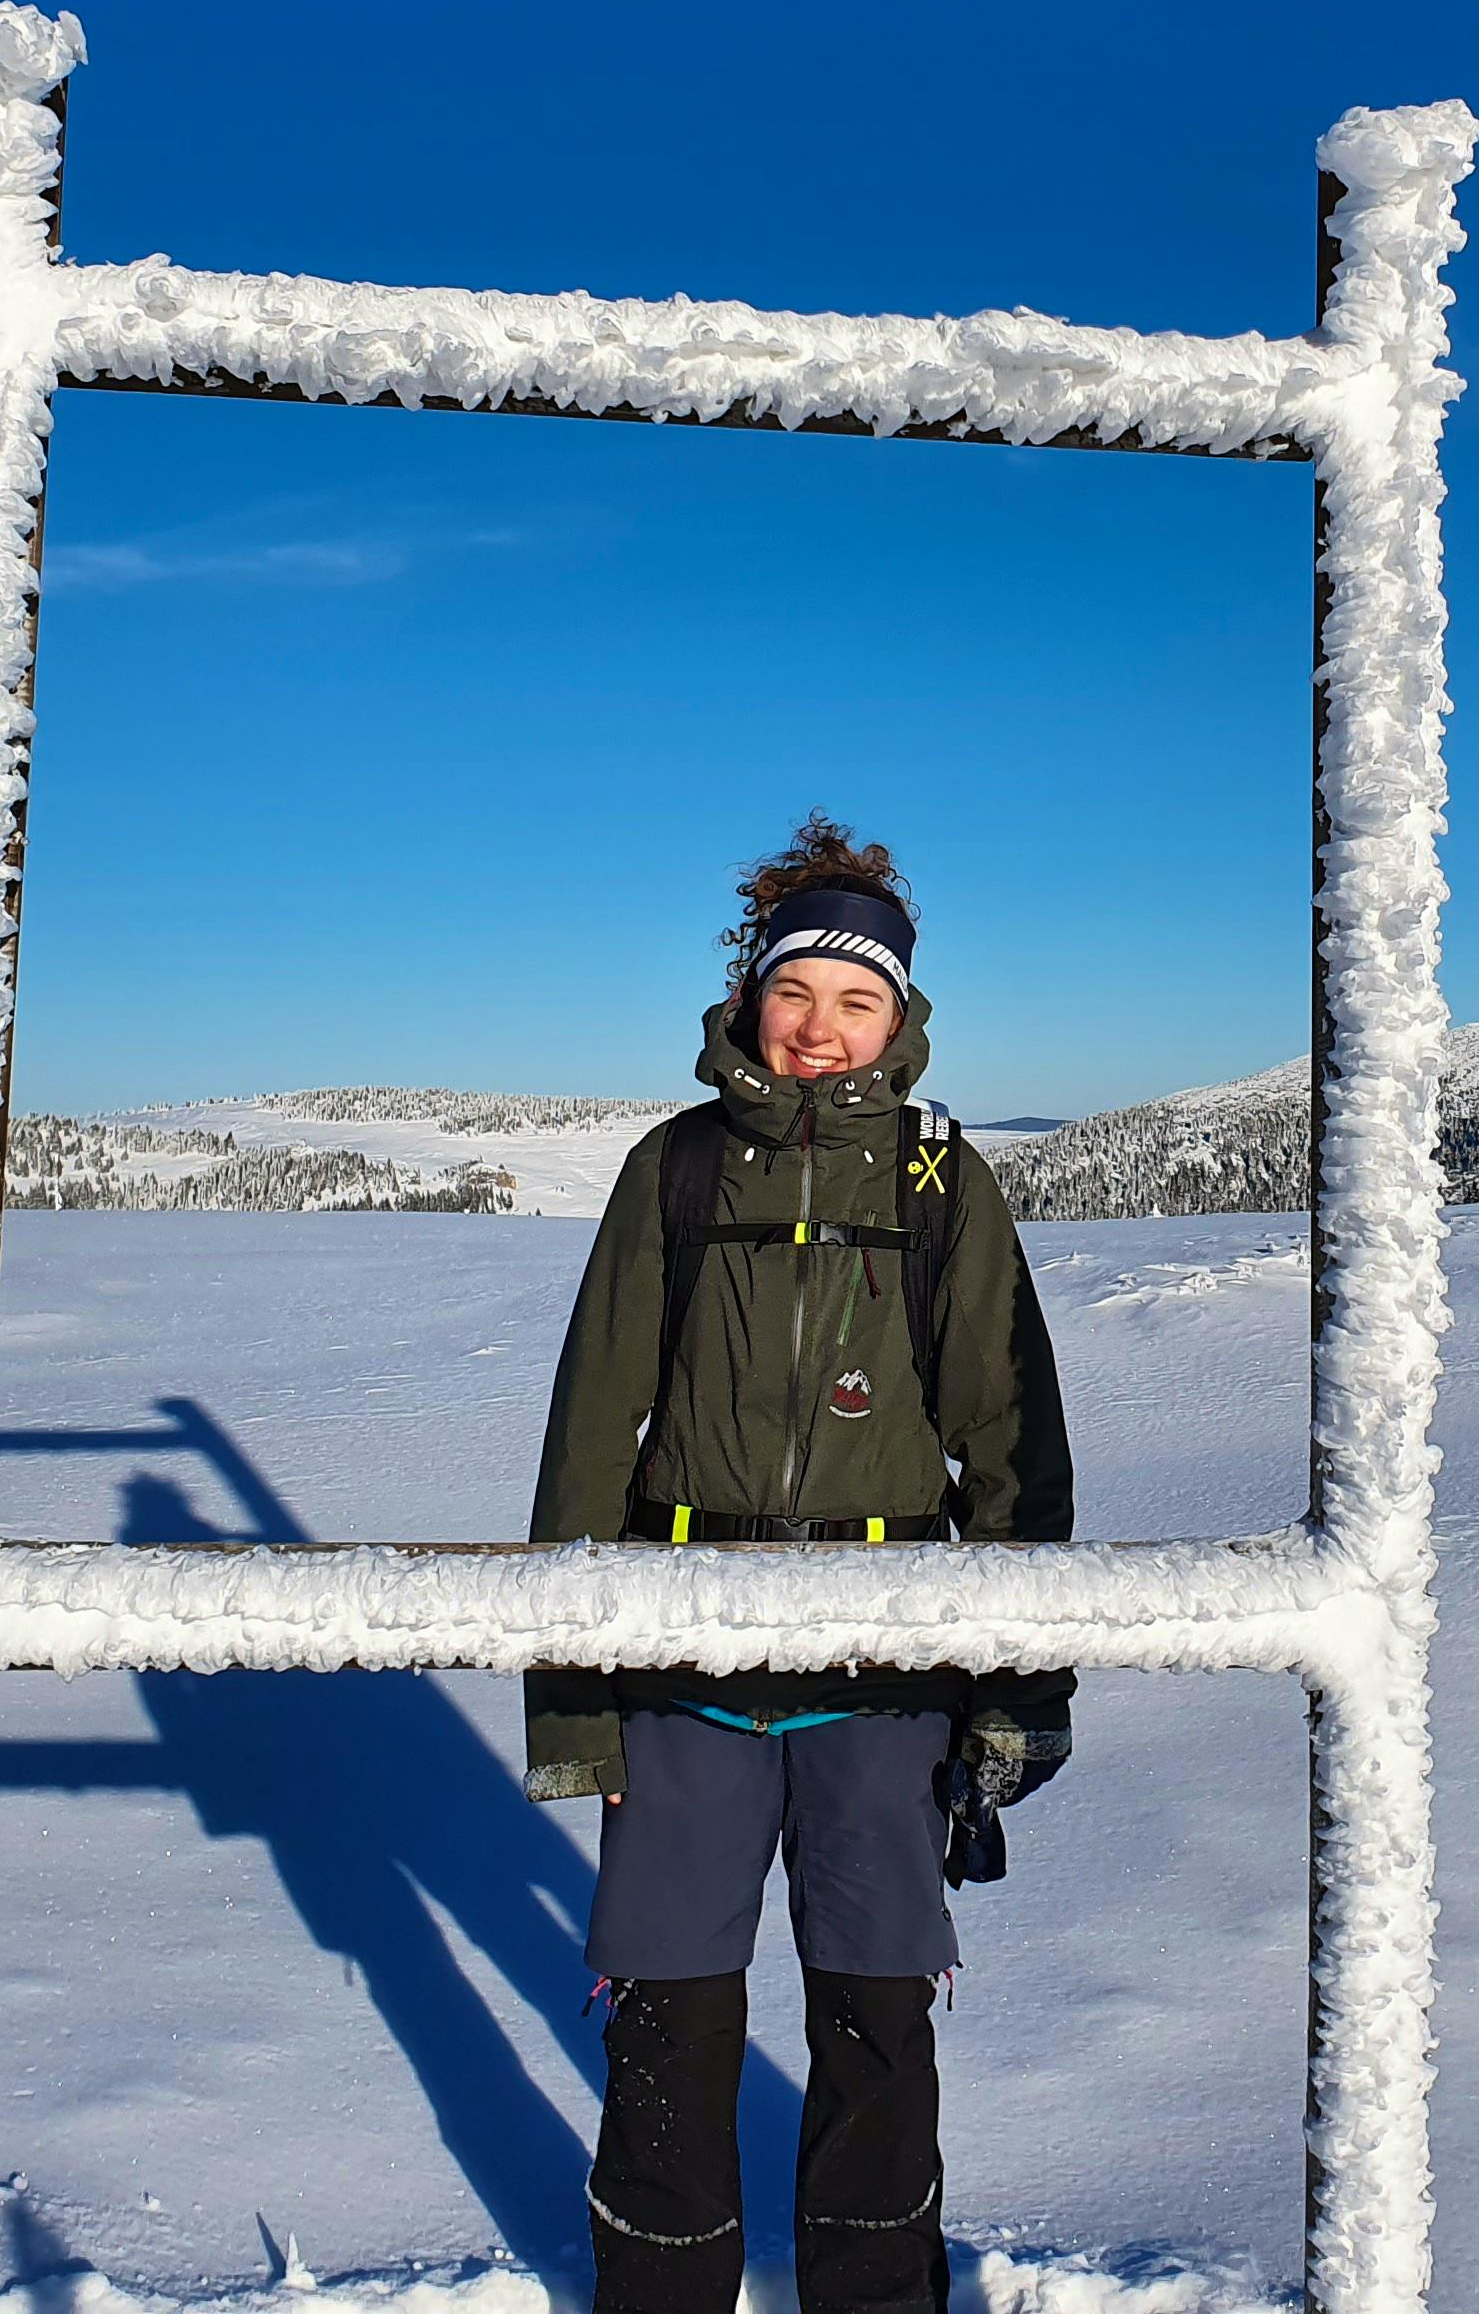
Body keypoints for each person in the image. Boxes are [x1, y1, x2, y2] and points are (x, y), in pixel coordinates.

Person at [526, 815, 1077, 2314]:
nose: (821, 1028)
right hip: (683, 1661)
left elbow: (1010, 1446)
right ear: (748, 996)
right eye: (795, 991)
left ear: (901, 1020)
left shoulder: (942, 1185)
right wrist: (573, 1702)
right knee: (667, 2026)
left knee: (880, 2026)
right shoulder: (676, 1170)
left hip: (886, 1668)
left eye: (857, 1000)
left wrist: (1020, 1687)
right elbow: (590, 1437)